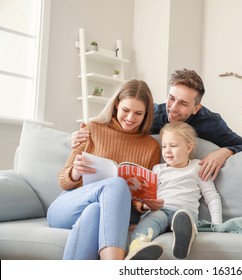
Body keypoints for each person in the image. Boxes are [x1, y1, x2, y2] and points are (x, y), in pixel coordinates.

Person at [47, 79, 163, 260]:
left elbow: (142, 194)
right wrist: (75, 172)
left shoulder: (151, 146)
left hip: (103, 211)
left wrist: (143, 203)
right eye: (126, 110)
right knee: (116, 184)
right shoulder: (92, 129)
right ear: (116, 105)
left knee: (94, 211)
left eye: (138, 113)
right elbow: (62, 180)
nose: (131, 118)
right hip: (68, 206)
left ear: (146, 113)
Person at [71, 69, 242, 181]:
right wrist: (83, 134)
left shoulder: (211, 122)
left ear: (197, 108)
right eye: (171, 98)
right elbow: (116, 123)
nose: (172, 108)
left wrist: (224, 151)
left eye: (183, 103)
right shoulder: (154, 113)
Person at [126, 121, 223, 260]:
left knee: (183, 217)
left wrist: (217, 225)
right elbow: (149, 198)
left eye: (173, 146)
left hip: (184, 212)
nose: (167, 150)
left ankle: (183, 239)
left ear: (189, 148)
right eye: (164, 146)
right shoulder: (157, 170)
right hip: (160, 210)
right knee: (151, 221)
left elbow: (212, 197)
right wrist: (148, 204)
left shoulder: (198, 167)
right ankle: (137, 248)